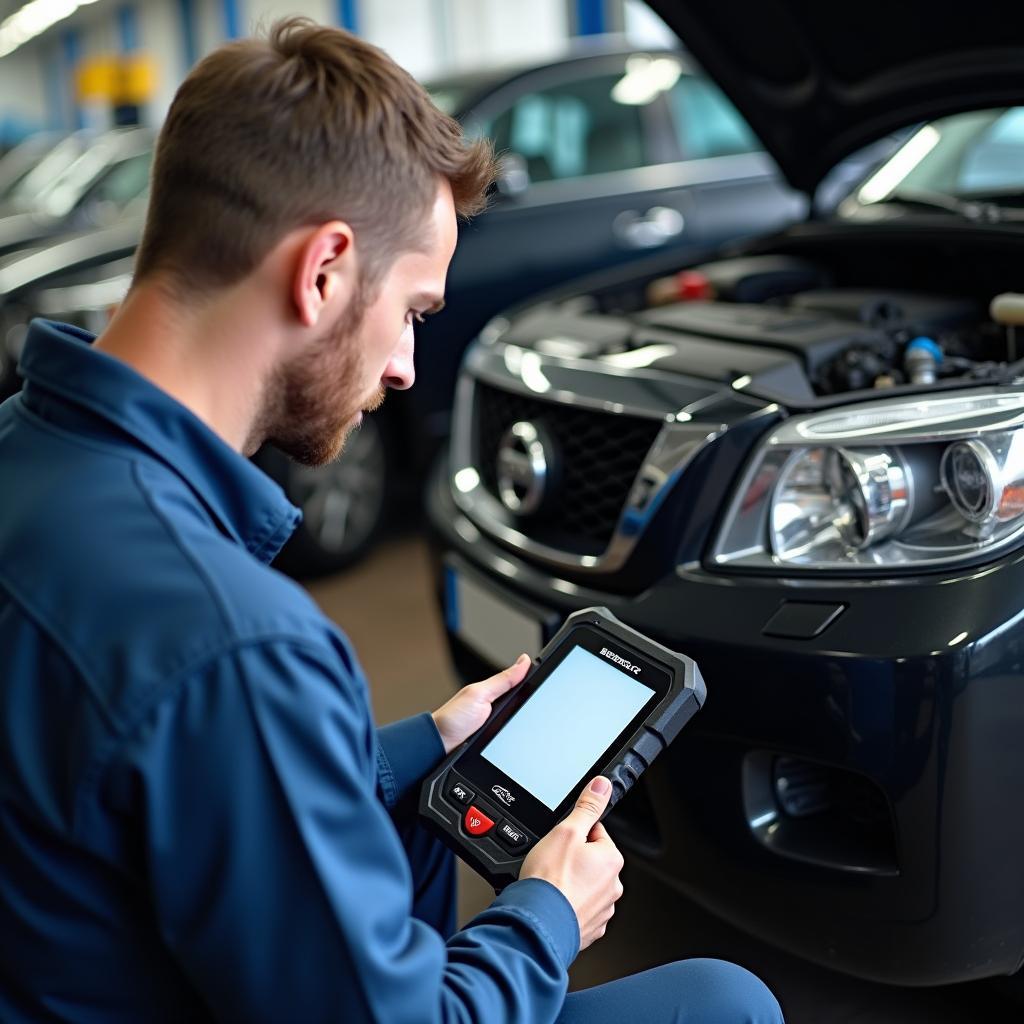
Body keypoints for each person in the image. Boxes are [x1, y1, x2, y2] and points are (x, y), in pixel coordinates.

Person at [0, 18, 783, 1024]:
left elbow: (159, 773)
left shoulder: (26, 454)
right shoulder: (232, 639)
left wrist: (424, 741)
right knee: (723, 1002)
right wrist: (548, 911)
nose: (409, 365)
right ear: (324, 269)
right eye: (413, 311)